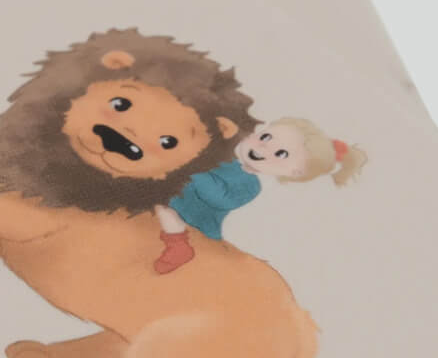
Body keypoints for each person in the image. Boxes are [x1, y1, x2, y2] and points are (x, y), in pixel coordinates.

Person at [154, 117, 368, 273]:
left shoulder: (251, 186)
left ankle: (178, 246)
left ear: (294, 172)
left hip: (196, 221)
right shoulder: (225, 158)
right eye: (266, 136)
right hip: (176, 199)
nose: (265, 146)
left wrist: (194, 170)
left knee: (166, 212)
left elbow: (219, 198)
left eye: (281, 153)